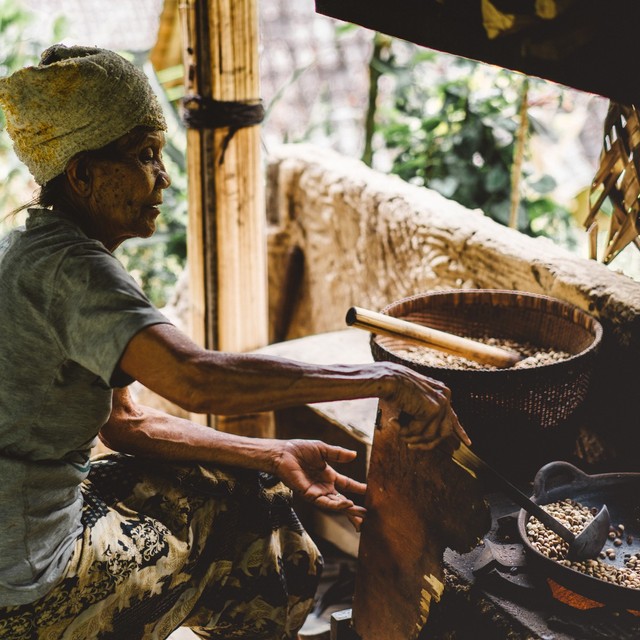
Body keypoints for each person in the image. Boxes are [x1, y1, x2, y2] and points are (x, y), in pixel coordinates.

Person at [0, 45, 469, 640]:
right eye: (146, 156)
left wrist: (272, 453)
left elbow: (125, 424)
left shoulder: (26, 250)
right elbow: (194, 376)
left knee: (250, 484)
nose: (163, 177)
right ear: (82, 175)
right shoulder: (76, 272)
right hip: (26, 581)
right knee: (262, 535)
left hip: (18, 534)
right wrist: (384, 379)